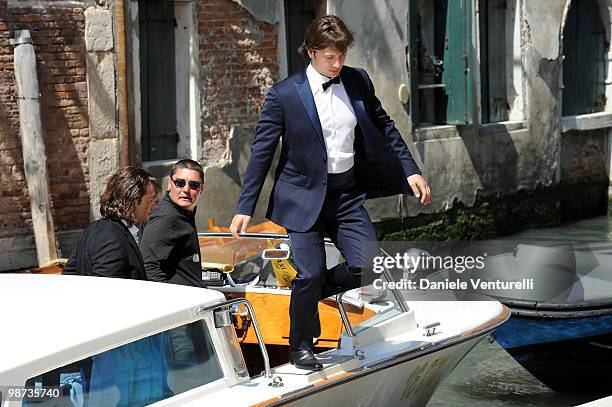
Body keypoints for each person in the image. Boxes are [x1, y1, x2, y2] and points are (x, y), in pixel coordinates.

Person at [230, 15, 431, 371]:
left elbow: (385, 126)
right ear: (311, 53)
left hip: (346, 195)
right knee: (307, 273)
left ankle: (313, 290)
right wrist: (245, 207)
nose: (338, 64)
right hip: (302, 198)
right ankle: (300, 346)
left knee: (368, 266)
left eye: (342, 56)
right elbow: (262, 152)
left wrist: (410, 170)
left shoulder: (357, 80)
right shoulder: (284, 95)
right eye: (330, 58)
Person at [63, 166, 158, 279]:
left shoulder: (97, 227)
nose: (154, 205)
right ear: (133, 201)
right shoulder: (110, 237)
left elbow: (69, 273)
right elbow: (106, 287)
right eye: (150, 201)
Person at [139, 159, 205, 287]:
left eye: (194, 185)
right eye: (180, 183)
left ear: (201, 188)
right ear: (170, 184)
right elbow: (149, 267)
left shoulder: (183, 214)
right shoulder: (166, 217)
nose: (186, 189)